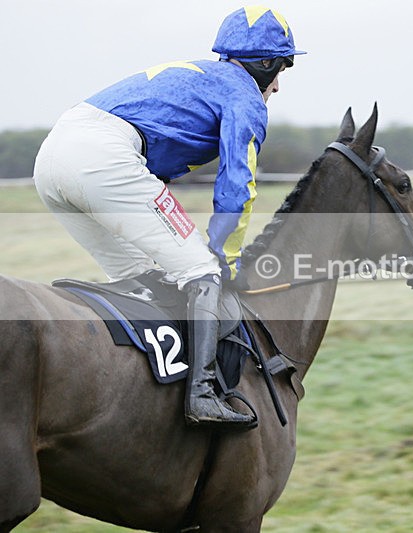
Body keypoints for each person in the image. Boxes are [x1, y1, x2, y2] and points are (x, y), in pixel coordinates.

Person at [33, 6, 304, 429]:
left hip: (52, 158)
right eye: (282, 69)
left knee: (142, 278)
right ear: (266, 63)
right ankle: (202, 394)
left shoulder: (200, 76)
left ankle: (136, 393)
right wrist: (225, 257)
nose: (278, 86)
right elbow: (238, 186)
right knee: (202, 271)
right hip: (104, 157)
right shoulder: (245, 96)